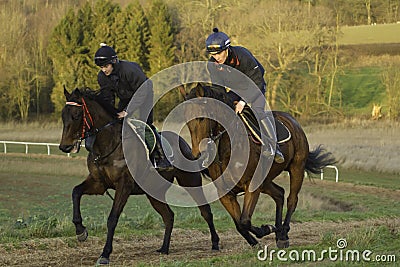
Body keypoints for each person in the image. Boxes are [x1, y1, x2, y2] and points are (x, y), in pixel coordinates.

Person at [205, 28, 284, 164]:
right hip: (236, 89)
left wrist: (243, 101)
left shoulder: (243, 56)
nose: (217, 58)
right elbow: (218, 89)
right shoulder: (212, 64)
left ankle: (273, 147)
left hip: (254, 86)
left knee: (258, 111)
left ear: (227, 49)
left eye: (219, 54)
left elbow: (257, 81)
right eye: (213, 55)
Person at [94, 43, 173, 170]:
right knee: (117, 122)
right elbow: (108, 97)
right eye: (101, 67)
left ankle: (161, 157)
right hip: (126, 98)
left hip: (145, 93)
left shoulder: (129, 71)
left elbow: (142, 92)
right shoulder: (102, 77)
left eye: (106, 66)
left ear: (114, 62)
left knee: (144, 124)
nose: (104, 70)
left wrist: (127, 111)